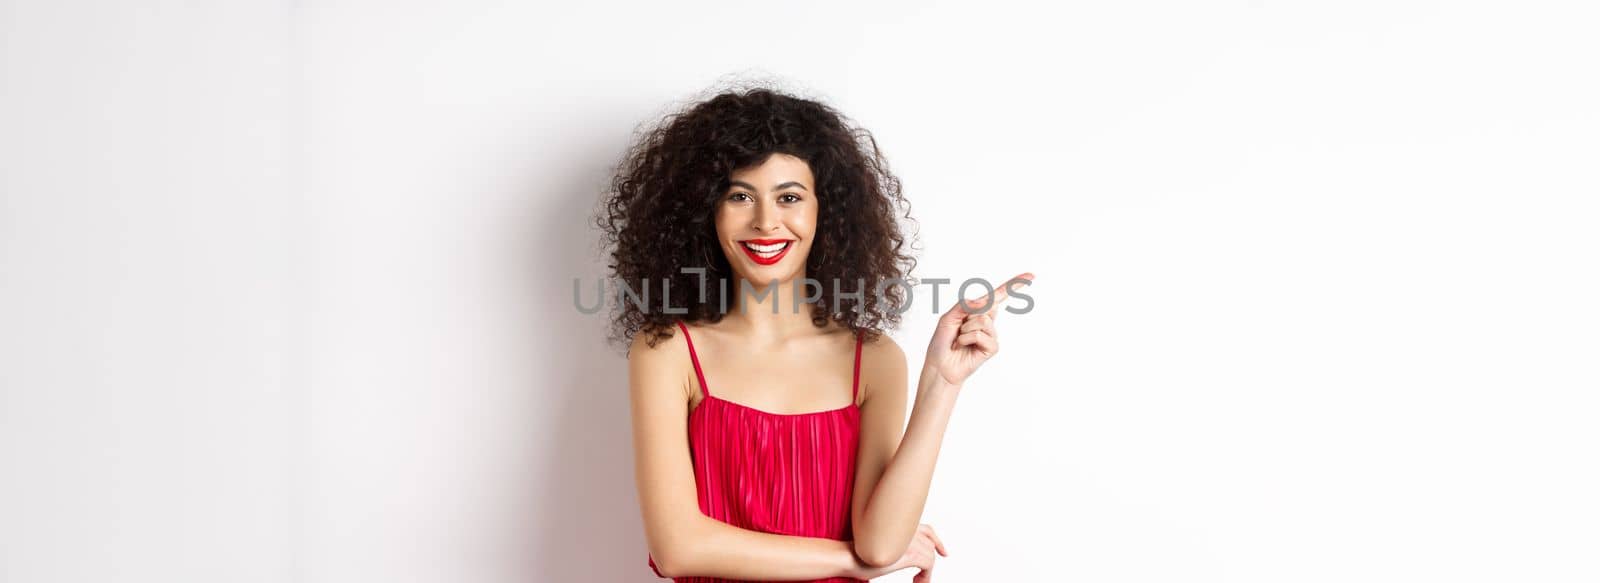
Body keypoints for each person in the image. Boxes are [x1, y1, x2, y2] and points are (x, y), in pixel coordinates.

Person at [597, 86, 1033, 582]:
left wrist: (943, 380)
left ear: (826, 212)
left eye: (789, 197)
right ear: (705, 212)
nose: (765, 222)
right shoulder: (668, 351)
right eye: (740, 196)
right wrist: (849, 560)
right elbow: (678, 548)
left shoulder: (873, 358)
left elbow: (882, 541)